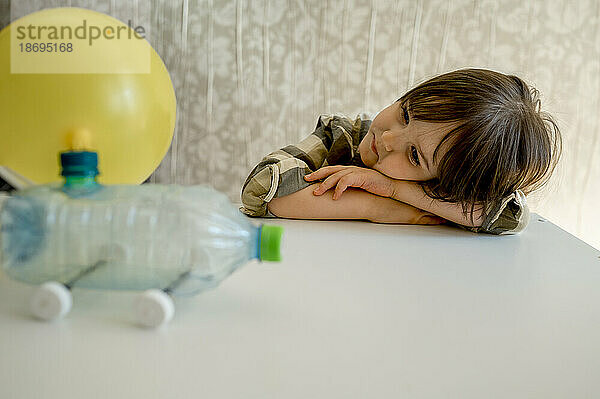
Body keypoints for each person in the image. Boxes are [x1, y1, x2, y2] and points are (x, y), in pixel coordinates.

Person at [240, 68, 562, 235]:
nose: (390, 138)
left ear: (442, 181)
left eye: (413, 156)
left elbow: (511, 217)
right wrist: (380, 207)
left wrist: (396, 189)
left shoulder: (444, 193)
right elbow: (263, 189)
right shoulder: (343, 137)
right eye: (406, 114)